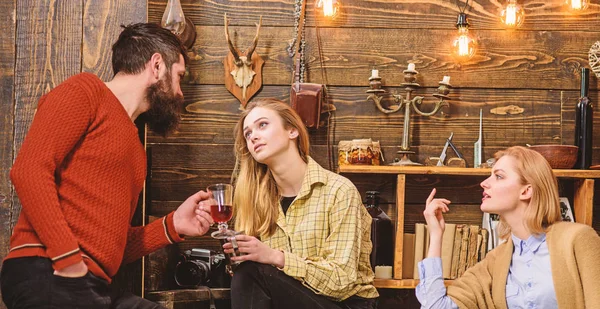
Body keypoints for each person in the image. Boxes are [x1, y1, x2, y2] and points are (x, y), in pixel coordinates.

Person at [1, 23, 214, 309]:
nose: (180, 93)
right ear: (157, 65)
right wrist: (67, 259)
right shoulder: (85, 91)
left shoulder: (136, 152)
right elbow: (28, 170)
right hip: (50, 271)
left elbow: (112, 244)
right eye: (179, 77)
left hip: (93, 284)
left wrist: (172, 224)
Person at [219, 98, 379, 309]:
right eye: (248, 134)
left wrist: (274, 257)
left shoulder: (339, 190)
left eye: (263, 125)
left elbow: (342, 281)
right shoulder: (258, 201)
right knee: (246, 271)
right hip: (292, 301)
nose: (254, 136)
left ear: (292, 131)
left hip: (346, 304)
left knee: (251, 273)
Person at [416, 146, 600, 309]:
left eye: (499, 176)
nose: (484, 183)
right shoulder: (496, 261)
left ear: (526, 190)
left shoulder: (578, 239)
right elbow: (435, 306)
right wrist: (436, 235)